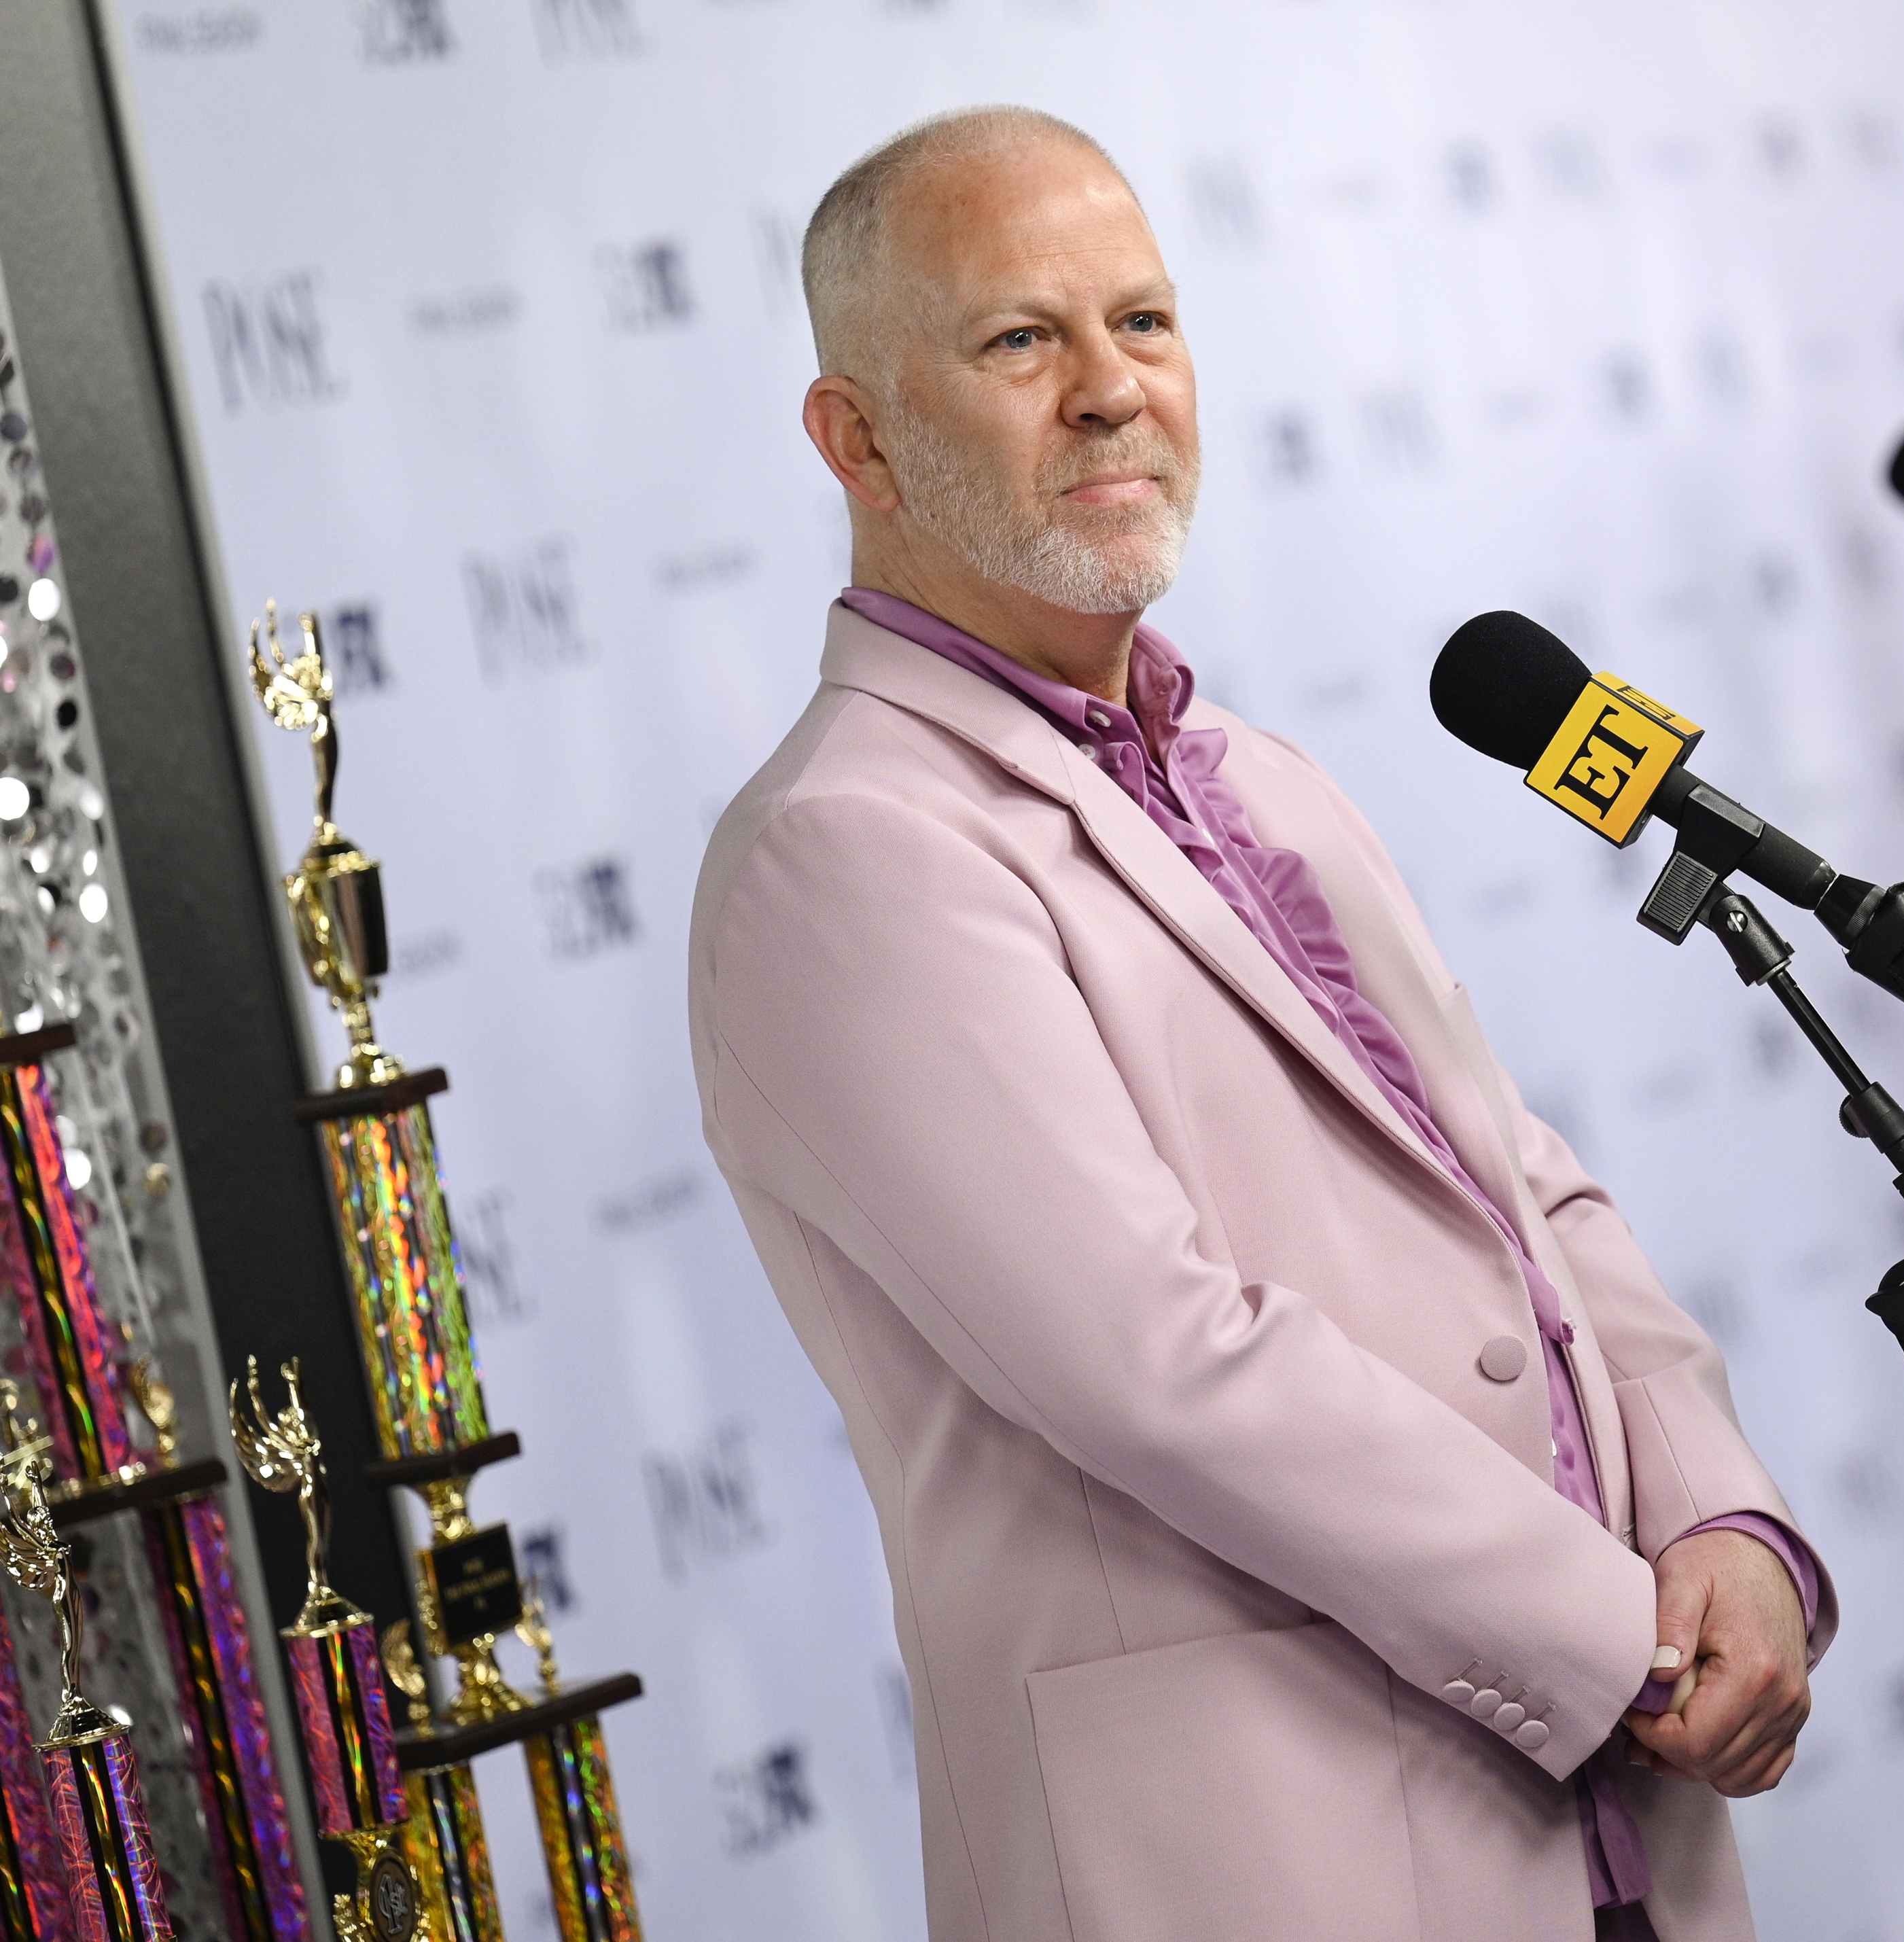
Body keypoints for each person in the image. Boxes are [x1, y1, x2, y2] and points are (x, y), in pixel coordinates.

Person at [686, 107, 1830, 1942]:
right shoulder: (844, 852)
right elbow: (1162, 1361)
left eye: (1143, 321)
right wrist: (1622, 1629)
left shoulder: (1263, 780)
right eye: (1017, 338)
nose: (1109, 390)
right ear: (857, 437)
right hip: (1268, 1858)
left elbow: (1527, 1188)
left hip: (1604, 1822)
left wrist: (1725, 1523)